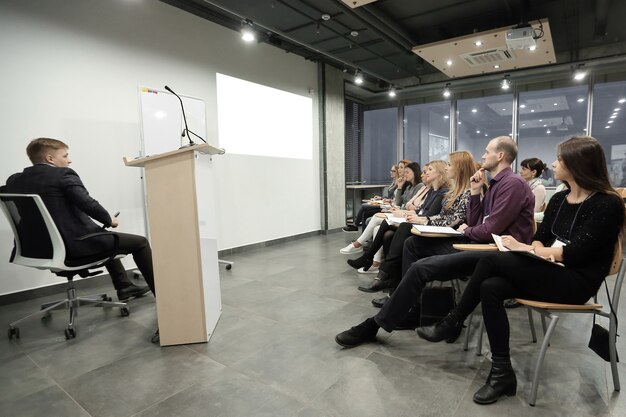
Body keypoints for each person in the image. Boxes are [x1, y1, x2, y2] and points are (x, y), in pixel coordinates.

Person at [416, 136, 625, 405]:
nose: (553, 163)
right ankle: (502, 372)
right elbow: (544, 236)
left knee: (491, 261)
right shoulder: (560, 198)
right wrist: (532, 247)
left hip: (576, 281)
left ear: (578, 164)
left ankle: (453, 320)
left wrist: (532, 251)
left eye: (559, 159)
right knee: (490, 287)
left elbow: (578, 253)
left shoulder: (607, 203)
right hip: (549, 268)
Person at [334, 136, 534, 346]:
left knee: (420, 267)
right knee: (413, 244)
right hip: (479, 245)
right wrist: (475, 194)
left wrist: (469, 229)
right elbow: (477, 223)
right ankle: (410, 305)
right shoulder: (495, 185)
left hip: (493, 253)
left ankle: (376, 323)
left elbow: (487, 230)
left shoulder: (512, 184)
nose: (483, 155)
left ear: (500, 155)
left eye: (487, 151)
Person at [1, 138, 155, 301]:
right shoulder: (63, 174)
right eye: (65, 156)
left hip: (36, 248)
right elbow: (87, 203)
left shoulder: (14, 180)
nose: (69, 160)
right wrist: (109, 219)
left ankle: (124, 286)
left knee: (103, 236)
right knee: (141, 242)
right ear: (50, 159)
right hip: (72, 247)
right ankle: (164, 296)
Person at [347, 159, 454, 292]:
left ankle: (381, 272)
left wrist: (407, 213)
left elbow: (426, 214)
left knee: (393, 226)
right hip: (420, 222)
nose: (424, 173)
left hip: (428, 229)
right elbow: (418, 210)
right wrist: (408, 211)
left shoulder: (441, 191)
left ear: (439, 173)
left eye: (429, 170)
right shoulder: (432, 190)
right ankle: (386, 279)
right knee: (387, 233)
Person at [339, 162, 422, 265]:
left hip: (405, 215)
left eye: (407, 172)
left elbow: (408, 205)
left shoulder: (419, 186)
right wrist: (399, 187)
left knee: (371, 215)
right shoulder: (409, 186)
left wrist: (403, 205)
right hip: (399, 211)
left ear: (415, 172)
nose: (404, 174)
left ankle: (359, 245)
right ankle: (374, 261)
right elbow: (400, 202)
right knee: (375, 225)